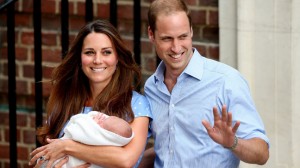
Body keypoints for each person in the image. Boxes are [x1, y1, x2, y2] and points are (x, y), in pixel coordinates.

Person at [142, 0, 270, 167]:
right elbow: (165, 149)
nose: (176, 47)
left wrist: (233, 143)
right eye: (167, 39)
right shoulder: (152, 87)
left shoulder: (226, 81)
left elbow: (262, 154)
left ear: (191, 31)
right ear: (151, 34)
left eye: (183, 36)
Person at [28, 19, 152, 168]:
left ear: (117, 58)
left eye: (106, 52)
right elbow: (44, 158)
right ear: (80, 58)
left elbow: (125, 160)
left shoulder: (136, 104)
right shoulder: (65, 102)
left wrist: (66, 147)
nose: (97, 60)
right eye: (89, 52)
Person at [41, 111, 134, 168]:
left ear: (108, 135)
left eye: (104, 123)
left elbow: (78, 131)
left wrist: (91, 123)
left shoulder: (100, 137)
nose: (102, 118)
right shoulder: (63, 101)